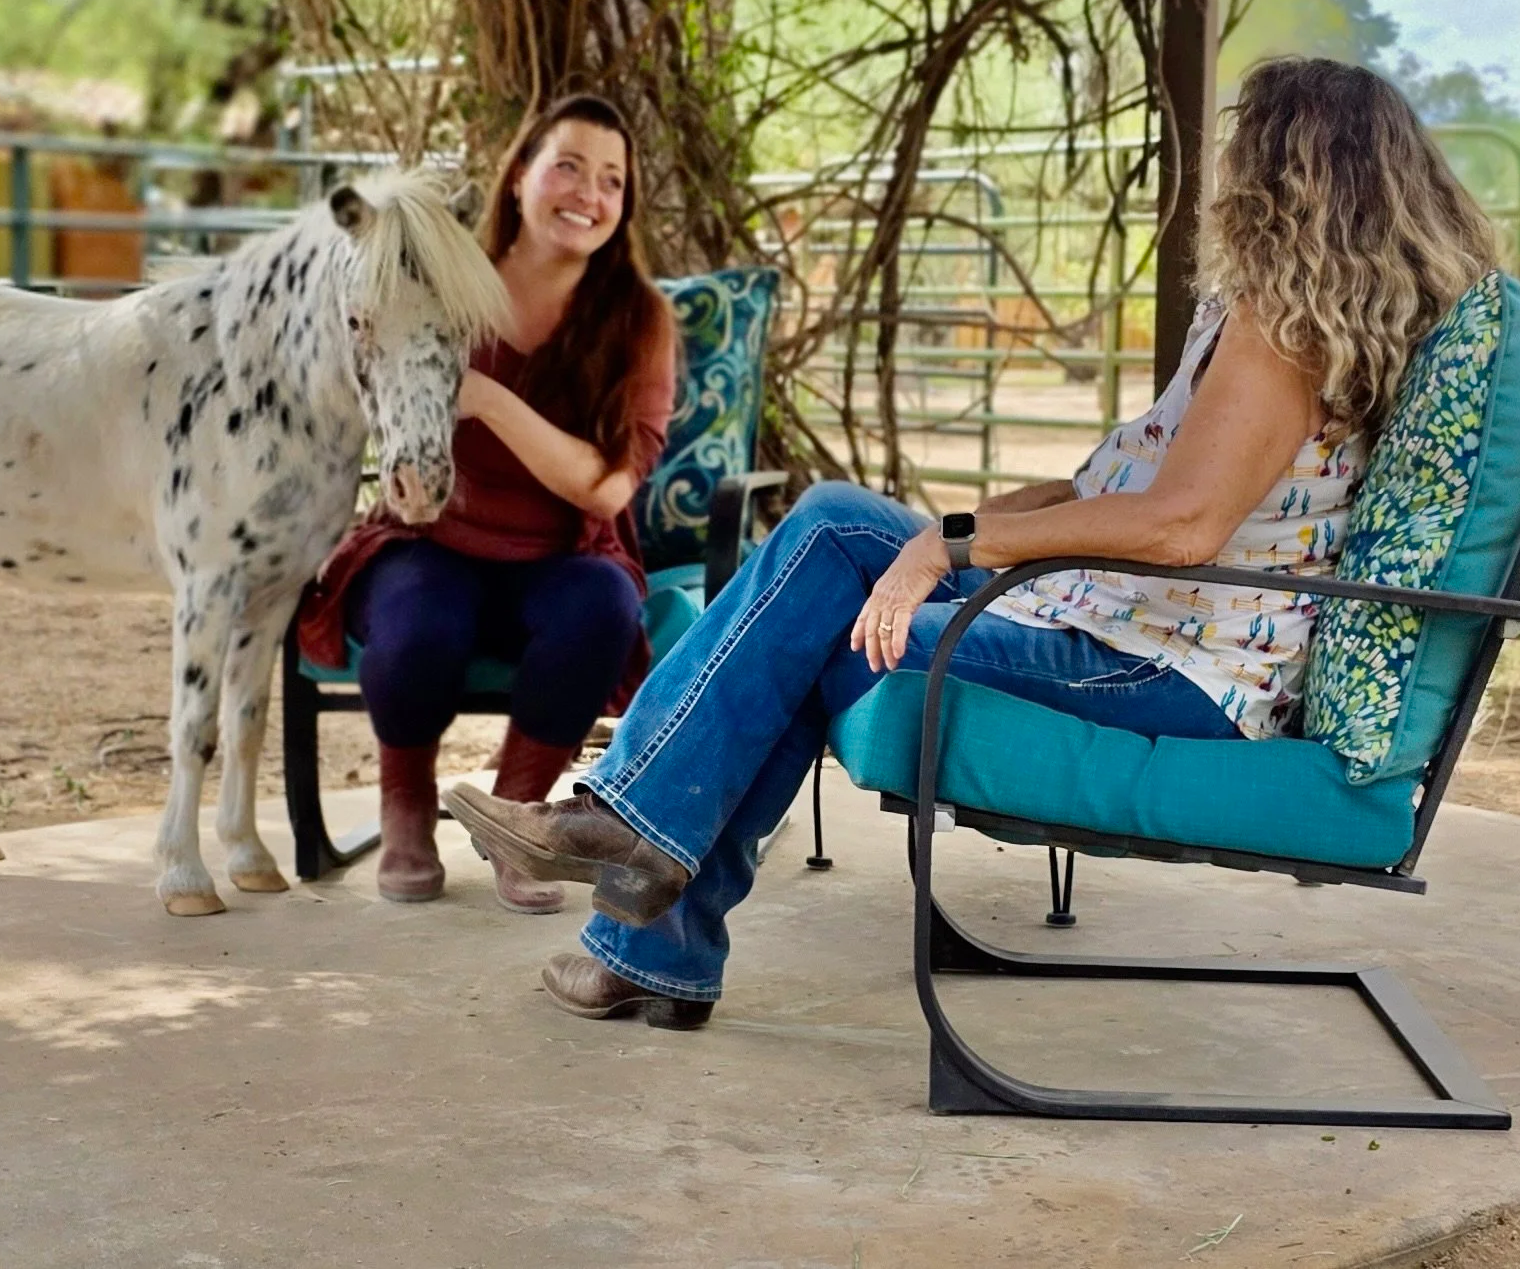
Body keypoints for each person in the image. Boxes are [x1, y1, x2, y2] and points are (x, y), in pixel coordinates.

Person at [445, 56, 1499, 1028]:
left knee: (821, 580)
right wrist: (963, 526)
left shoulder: (1284, 330)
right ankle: (640, 891)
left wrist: (954, 544)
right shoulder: (1264, 320)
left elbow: (1182, 525)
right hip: (1109, 623)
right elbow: (1103, 484)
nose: (1224, 171)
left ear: (1288, 173)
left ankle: (637, 883)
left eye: (1243, 148)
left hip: (1163, 671)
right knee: (830, 543)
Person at [299, 94, 676, 908]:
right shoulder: (438, 278)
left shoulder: (637, 320)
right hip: (431, 538)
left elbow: (607, 486)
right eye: (567, 166)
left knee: (605, 607)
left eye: (612, 179)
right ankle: (405, 812)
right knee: (416, 622)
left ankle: (519, 823)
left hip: (561, 557)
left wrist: (489, 400)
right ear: (519, 179)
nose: (588, 192)